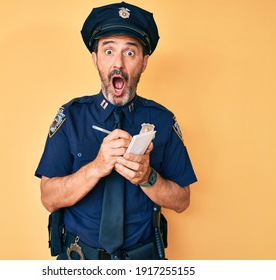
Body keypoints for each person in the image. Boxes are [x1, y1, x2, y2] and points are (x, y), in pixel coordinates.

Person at [35, 2, 197, 260]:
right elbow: (48, 199)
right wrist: (96, 167)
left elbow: (182, 201)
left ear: (144, 62)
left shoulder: (163, 120)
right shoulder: (71, 116)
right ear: (95, 59)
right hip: (79, 261)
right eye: (108, 51)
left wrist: (147, 177)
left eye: (130, 53)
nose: (118, 63)